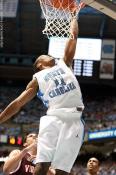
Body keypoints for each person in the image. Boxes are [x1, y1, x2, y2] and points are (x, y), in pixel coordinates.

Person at [0, 16, 84, 175]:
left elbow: (73, 37)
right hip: (54, 118)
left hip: (75, 120)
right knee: (42, 165)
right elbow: (18, 103)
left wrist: (73, 17)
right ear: (39, 64)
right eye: (44, 55)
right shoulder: (37, 79)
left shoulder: (64, 63)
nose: (48, 55)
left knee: (62, 170)